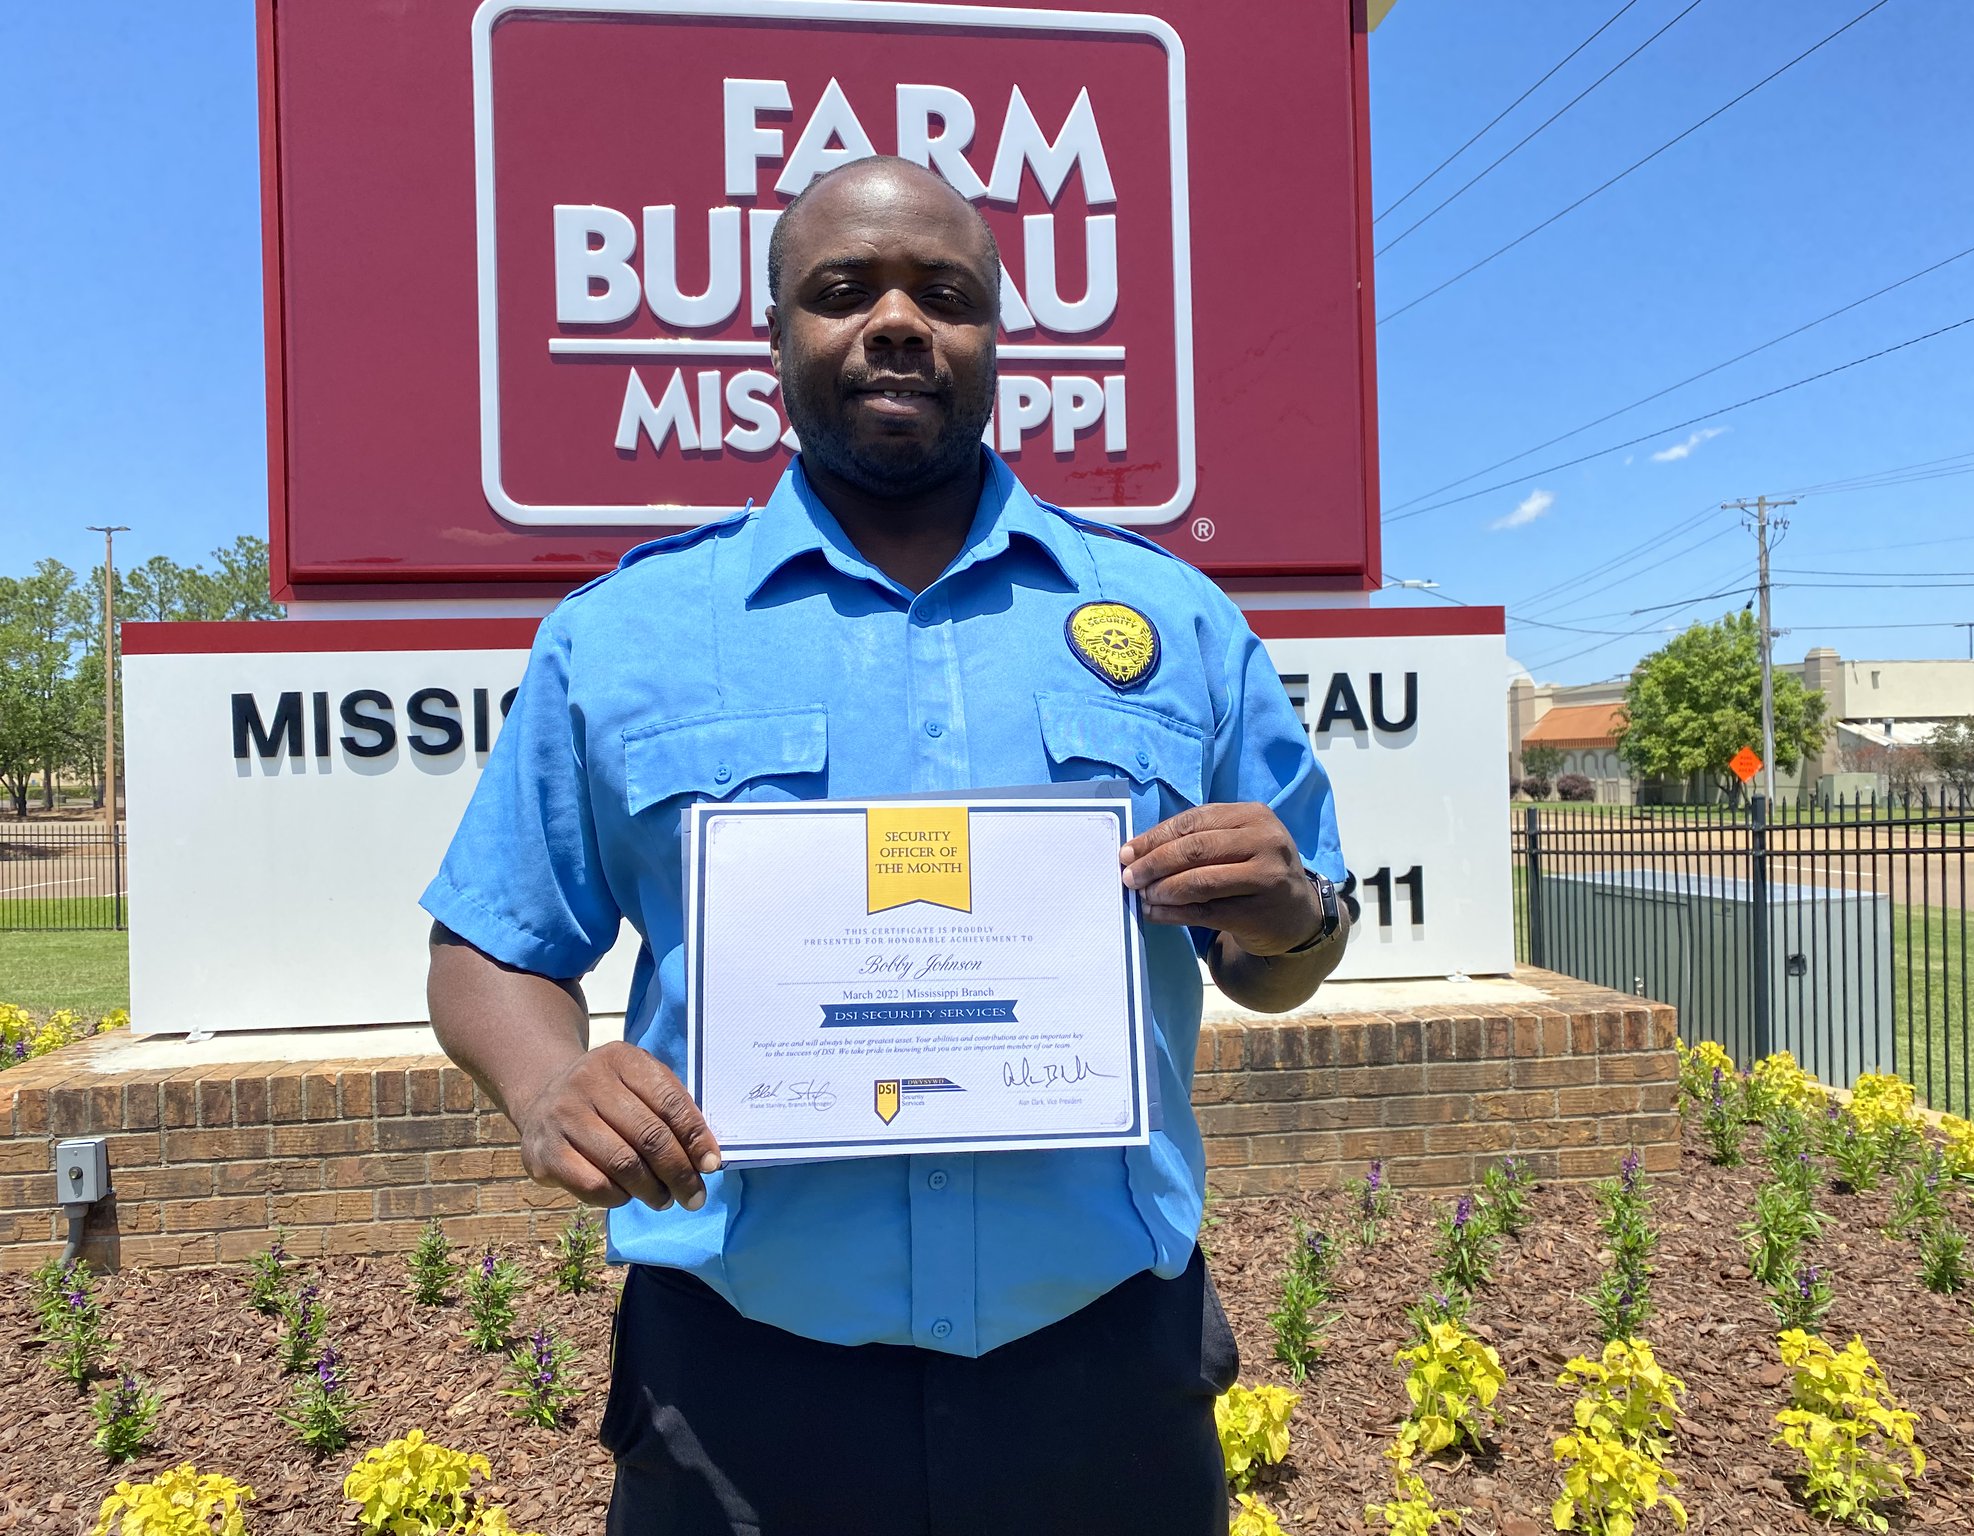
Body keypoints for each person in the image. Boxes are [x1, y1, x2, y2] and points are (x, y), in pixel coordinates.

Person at [423, 155, 1349, 1536]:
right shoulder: (622, 637)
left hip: (1103, 1369)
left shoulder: (1175, 620)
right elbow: (491, 943)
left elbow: (1282, 960)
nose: (899, 322)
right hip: (741, 1380)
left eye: (946, 294)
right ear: (776, 339)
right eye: (845, 289)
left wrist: (1290, 920)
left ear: (996, 338)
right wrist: (547, 1081)